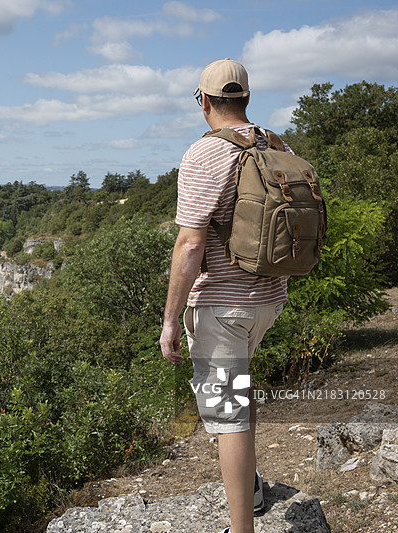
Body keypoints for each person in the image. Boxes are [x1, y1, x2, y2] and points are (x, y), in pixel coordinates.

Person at [159, 59, 288, 533]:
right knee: (237, 392)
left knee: (228, 414)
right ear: (247, 99)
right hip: (269, 300)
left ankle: (242, 527)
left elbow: (191, 243)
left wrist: (171, 318)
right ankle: (249, 487)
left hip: (223, 307)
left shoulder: (203, 155)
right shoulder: (275, 144)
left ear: (205, 101)